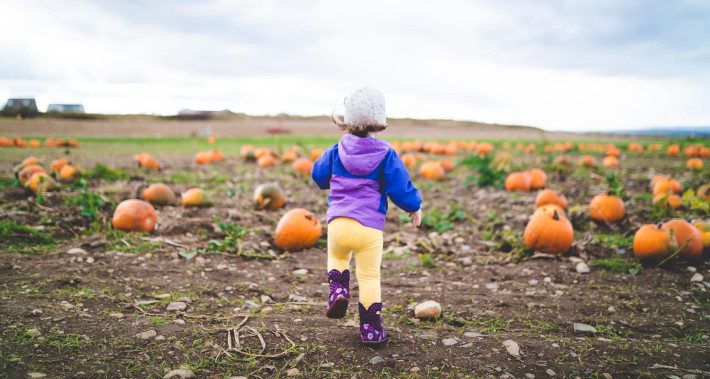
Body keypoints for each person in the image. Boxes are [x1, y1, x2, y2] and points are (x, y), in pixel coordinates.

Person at [312, 87, 423, 344]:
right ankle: (371, 330)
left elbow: (318, 176)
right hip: (369, 229)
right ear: (380, 121)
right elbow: (400, 187)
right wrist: (414, 207)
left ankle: (338, 290)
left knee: (337, 257)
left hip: (338, 224)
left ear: (346, 120)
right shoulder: (386, 154)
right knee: (370, 277)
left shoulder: (335, 150)